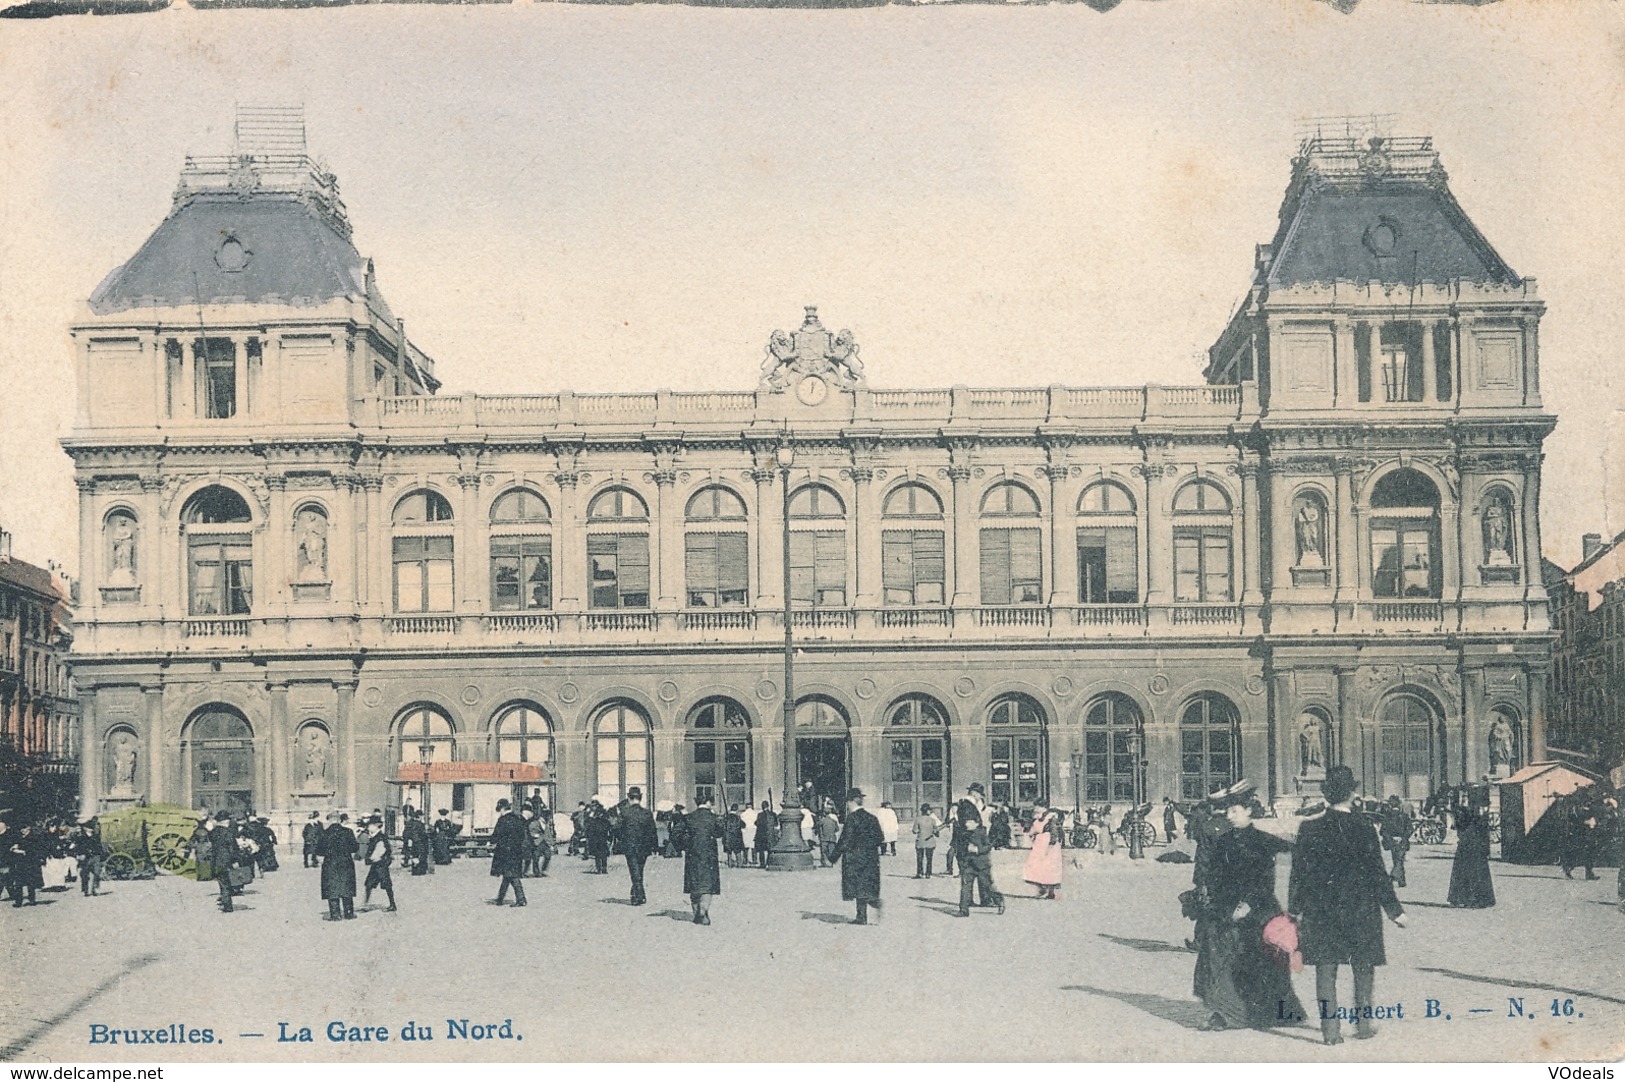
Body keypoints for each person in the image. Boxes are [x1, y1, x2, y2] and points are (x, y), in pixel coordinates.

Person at [1289, 766, 1406, 1045]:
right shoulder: (1364, 828)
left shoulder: (1308, 828)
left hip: (1321, 912)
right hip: (1360, 911)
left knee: (1325, 970)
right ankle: (1363, 1025)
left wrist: (1295, 909)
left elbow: (1299, 875)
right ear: (1353, 794)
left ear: (1326, 795)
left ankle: (1331, 1032)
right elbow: (1378, 874)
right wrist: (1395, 911)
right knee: (1363, 968)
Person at [1194, 780, 1302, 1031]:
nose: (1230, 816)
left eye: (1235, 811)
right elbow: (1214, 875)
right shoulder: (1222, 841)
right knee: (1219, 960)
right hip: (1225, 909)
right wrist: (1210, 898)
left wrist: (1248, 904)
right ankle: (1224, 1013)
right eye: (1229, 811)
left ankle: (1271, 1013)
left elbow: (1265, 879)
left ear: (1249, 812)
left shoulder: (1263, 841)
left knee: (1262, 962)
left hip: (1259, 909)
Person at [831, 788, 885, 925]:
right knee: (865, 884)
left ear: (852, 802)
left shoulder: (852, 819)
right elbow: (880, 838)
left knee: (857, 885)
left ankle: (864, 914)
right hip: (871, 857)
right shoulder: (872, 818)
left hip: (854, 857)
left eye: (848, 802)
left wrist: (833, 857)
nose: (847, 806)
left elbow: (845, 840)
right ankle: (866, 910)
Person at [954, 806, 1004, 917]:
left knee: (987, 886)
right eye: (966, 822)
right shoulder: (963, 833)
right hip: (968, 864)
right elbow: (960, 847)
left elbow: (988, 846)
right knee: (965, 887)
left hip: (982, 865)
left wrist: (978, 850)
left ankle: (999, 899)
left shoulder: (982, 833)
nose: (967, 824)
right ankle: (963, 910)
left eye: (970, 822)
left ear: (977, 823)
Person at [682, 793, 723, 925]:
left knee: (694, 883)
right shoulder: (713, 818)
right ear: (709, 803)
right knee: (708, 884)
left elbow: (676, 834)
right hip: (709, 854)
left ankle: (696, 913)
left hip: (692, 854)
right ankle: (703, 910)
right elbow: (720, 833)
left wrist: (685, 845)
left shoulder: (688, 817)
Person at [1447, 799, 1496, 908]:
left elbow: (1459, 829)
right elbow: (1484, 836)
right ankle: (1480, 899)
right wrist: (1486, 850)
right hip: (1477, 849)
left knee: (1465, 874)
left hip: (1467, 849)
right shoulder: (1480, 819)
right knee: (1478, 875)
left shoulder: (1466, 817)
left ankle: (1464, 898)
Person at [620, 787, 658, 905]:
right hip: (644, 847)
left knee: (634, 871)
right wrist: (655, 847)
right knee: (639, 870)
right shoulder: (647, 813)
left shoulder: (625, 813)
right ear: (640, 798)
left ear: (629, 798)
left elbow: (618, 829)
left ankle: (638, 895)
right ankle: (637, 894)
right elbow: (653, 831)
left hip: (630, 846)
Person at [319, 811, 358, 920]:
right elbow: (355, 847)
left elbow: (319, 851)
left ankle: (335, 915)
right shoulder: (348, 832)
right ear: (339, 819)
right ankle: (349, 913)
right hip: (346, 863)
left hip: (330, 864)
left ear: (329, 820)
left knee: (332, 890)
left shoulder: (324, 833)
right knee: (346, 888)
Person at [490, 798, 529, 907]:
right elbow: (522, 835)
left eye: (500, 810)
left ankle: (521, 899)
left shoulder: (502, 820)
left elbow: (496, 835)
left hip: (504, 852)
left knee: (511, 875)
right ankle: (500, 899)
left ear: (502, 809)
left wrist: (491, 841)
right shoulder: (518, 819)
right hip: (516, 851)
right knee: (507, 875)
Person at [1024, 800, 1063, 900]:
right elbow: (1032, 828)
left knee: (1049, 867)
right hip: (1039, 844)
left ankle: (1050, 891)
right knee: (1036, 866)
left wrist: (1052, 843)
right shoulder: (1037, 817)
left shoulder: (1051, 817)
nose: (1036, 808)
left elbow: (1054, 830)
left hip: (1048, 844)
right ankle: (1041, 887)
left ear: (1044, 808)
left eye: (1038, 806)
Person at [361, 816, 397, 912]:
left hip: (381, 865)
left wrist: (370, 858)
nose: (368, 827)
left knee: (386, 885)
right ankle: (366, 904)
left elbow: (380, 851)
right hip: (377, 865)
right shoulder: (375, 836)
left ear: (376, 826)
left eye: (370, 825)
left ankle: (392, 904)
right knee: (369, 884)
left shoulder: (380, 838)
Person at [1561, 794, 1601, 881]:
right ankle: (1568, 868)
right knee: (1578, 853)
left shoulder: (1590, 809)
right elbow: (1573, 820)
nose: (1589, 803)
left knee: (1589, 853)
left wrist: (1594, 822)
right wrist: (1585, 822)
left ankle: (1589, 873)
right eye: (1587, 801)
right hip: (1579, 834)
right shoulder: (1576, 809)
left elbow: (1594, 817)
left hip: (1589, 833)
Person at [207, 813, 240, 914]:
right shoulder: (228, 832)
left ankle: (224, 900)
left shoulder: (212, 832)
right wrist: (235, 860)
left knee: (222, 881)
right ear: (225, 821)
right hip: (226, 860)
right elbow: (233, 847)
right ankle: (227, 905)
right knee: (227, 882)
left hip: (215, 859)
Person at [1379, 796, 1412, 888]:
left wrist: (1391, 838)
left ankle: (1394, 877)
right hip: (1402, 841)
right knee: (1399, 860)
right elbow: (1410, 829)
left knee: (1396, 860)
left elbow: (1382, 831)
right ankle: (1400, 880)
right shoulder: (1405, 816)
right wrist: (1403, 837)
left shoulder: (1387, 817)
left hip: (1392, 842)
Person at [70, 820, 107, 897]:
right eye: (89, 827)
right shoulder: (81, 837)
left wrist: (102, 857)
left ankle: (94, 889)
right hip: (85, 857)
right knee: (85, 874)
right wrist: (78, 855)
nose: (91, 829)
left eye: (91, 827)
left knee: (96, 873)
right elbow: (77, 847)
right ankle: (85, 890)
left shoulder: (96, 836)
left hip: (95, 856)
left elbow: (99, 847)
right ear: (85, 828)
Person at [912, 803, 941, 878]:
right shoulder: (932, 820)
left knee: (920, 858)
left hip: (920, 841)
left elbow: (915, 831)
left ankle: (920, 873)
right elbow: (936, 832)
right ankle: (928, 873)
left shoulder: (918, 819)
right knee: (929, 858)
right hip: (930, 841)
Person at [582, 802, 612, 875]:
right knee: (604, 855)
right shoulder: (605, 822)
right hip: (603, 840)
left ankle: (599, 869)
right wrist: (609, 839)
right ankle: (604, 869)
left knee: (598, 856)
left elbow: (589, 830)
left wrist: (589, 838)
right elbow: (610, 830)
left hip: (596, 840)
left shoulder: (593, 822)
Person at [403, 807, 431, 877]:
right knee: (421, 856)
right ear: (420, 816)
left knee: (415, 855)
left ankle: (415, 870)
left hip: (412, 842)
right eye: (422, 816)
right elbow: (423, 834)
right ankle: (420, 870)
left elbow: (405, 833)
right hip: (420, 842)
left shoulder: (409, 823)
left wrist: (409, 840)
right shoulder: (420, 824)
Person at [720, 804, 747, 869]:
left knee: (729, 853)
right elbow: (743, 825)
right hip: (736, 837)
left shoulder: (726, 817)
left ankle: (730, 864)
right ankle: (739, 865)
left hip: (728, 837)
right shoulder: (738, 818)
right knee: (738, 852)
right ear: (737, 809)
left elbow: (722, 826)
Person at [752, 799, 776, 869]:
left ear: (762, 807)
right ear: (768, 806)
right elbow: (776, 824)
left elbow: (756, 823)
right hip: (770, 834)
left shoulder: (760, 815)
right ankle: (768, 862)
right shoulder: (773, 814)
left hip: (761, 834)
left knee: (761, 850)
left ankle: (762, 864)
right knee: (769, 849)